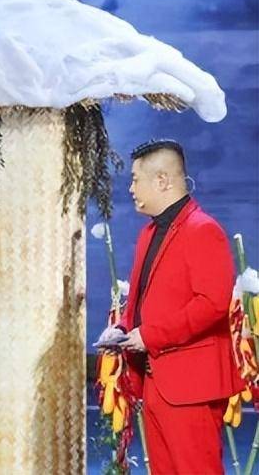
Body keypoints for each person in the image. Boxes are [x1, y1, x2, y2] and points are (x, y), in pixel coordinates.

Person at [97, 139, 243, 474]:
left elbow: (212, 304)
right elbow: (142, 300)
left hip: (190, 387)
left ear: (162, 180)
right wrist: (122, 329)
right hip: (157, 383)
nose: (131, 188)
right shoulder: (149, 233)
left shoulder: (203, 230)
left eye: (136, 179)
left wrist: (150, 336)